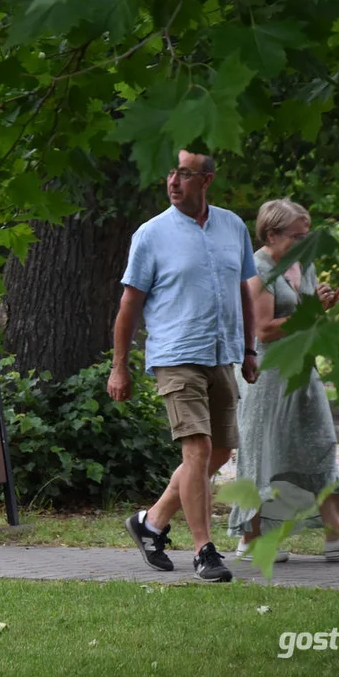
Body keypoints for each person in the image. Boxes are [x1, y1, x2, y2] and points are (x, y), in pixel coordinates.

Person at [108, 150, 258, 583]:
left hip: (222, 354)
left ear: (206, 180)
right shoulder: (150, 234)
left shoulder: (233, 226)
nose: (174, 181)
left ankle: (151, 522)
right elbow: (129, 305)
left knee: (221, 450)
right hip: (175, 355)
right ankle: (203, 551)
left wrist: (249, 351)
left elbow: (244, 292)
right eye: (171, 171)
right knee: (196, 450)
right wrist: (120, 366)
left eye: (185, 174)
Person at [228, 198, 339, 561]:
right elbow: (264, 330)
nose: (305, 242)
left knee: (320, 443)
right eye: (298, 236)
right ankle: (251, 540)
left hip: (302, 368)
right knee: (263, 453)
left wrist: (322, 308)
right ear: (271, 234)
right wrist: (313, 311)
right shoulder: (256, 268)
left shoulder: (303, 265)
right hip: (265, 373)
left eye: (307, 235)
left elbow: (307, 319)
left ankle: (337, 535)